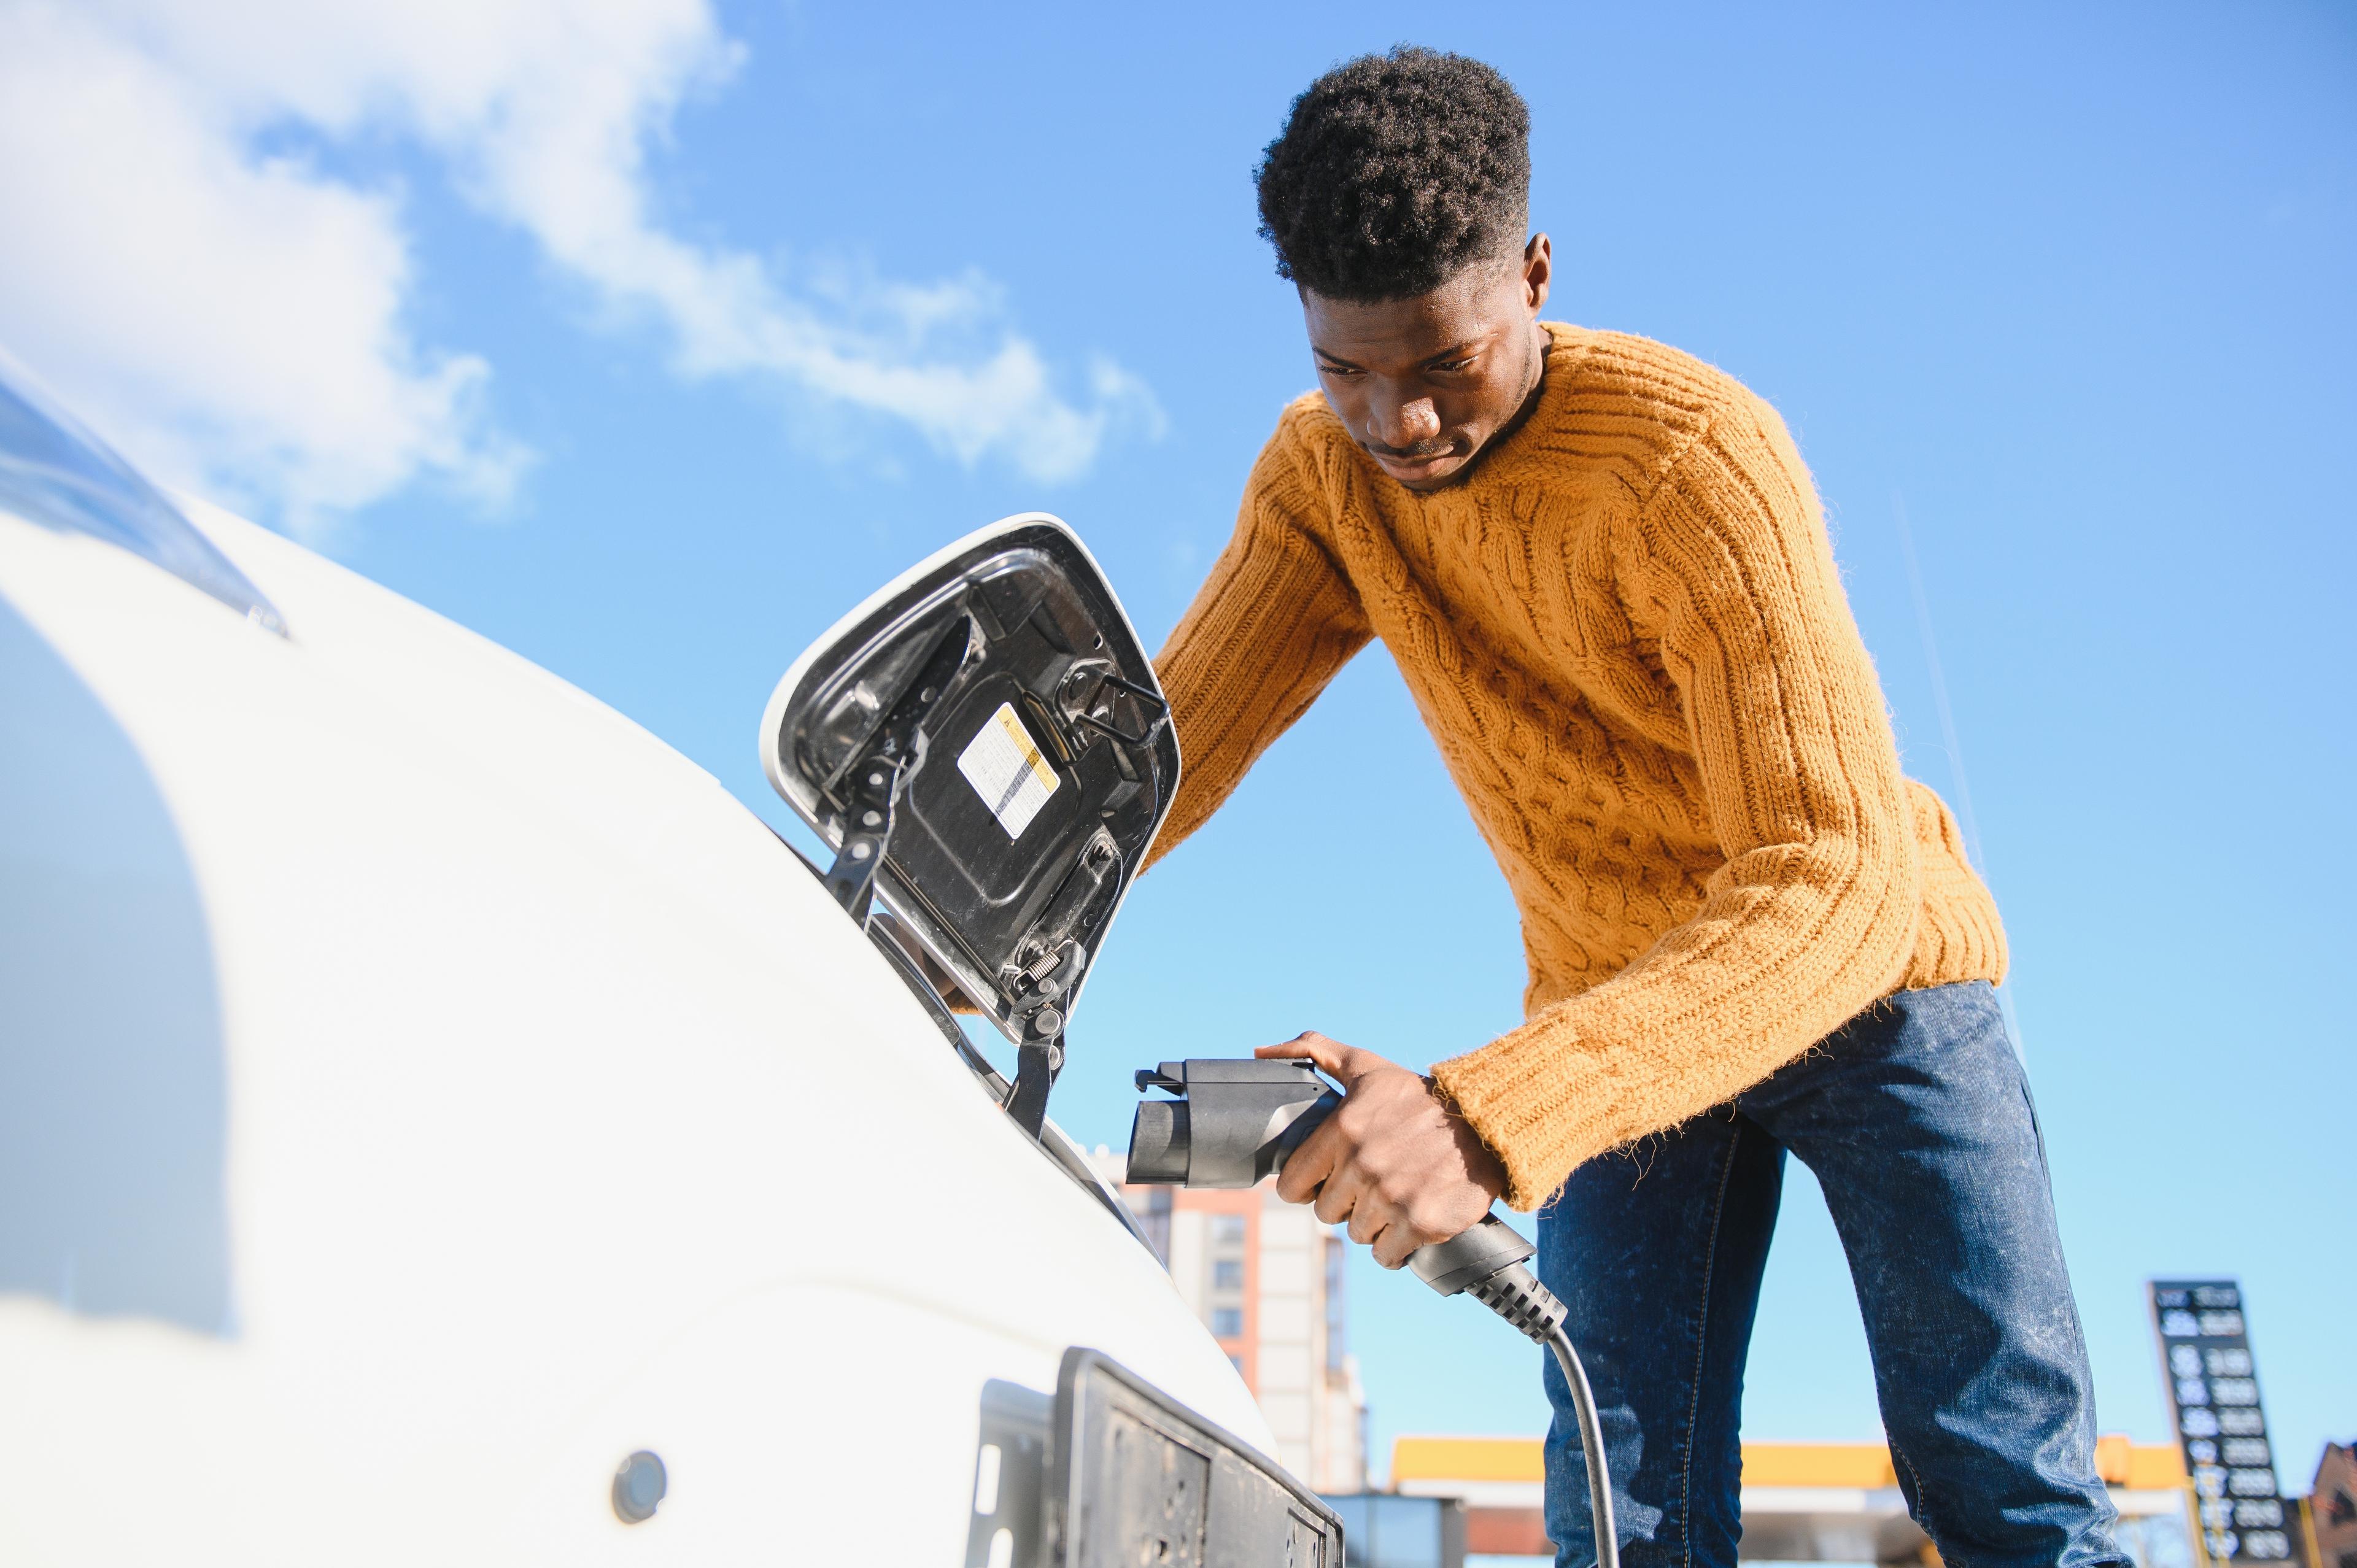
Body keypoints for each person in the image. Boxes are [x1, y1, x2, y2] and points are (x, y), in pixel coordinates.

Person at [1144, 46, 2125, 1568]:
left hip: (1873, 986)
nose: (1397, 425)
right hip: (1616, 1005)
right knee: (1626, 1516)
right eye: (1347, 372)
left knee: (2000, 1477)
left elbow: (1836, 876)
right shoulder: (1322, 479)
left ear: (1534, 274)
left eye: (1444, 365)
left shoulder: (1692, 461)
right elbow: (1163, 752)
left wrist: (1479, 1118)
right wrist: (958, 892)